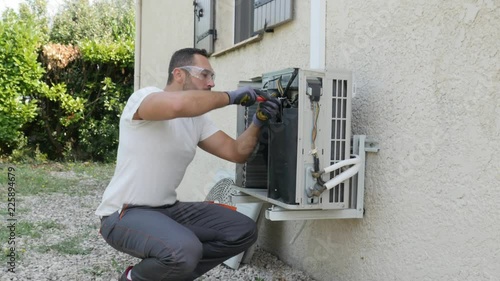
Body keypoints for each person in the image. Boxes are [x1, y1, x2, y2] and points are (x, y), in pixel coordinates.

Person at [95, 47, 280, 281]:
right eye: (205, 75)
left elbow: (236, 152)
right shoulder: (143, 99)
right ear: (179, 74)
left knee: (241, 231)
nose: (211, 83)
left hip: (168, 210)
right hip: (123, 214)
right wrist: (231, 97)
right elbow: (176, 106)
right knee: (183, 250)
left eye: (213, 76)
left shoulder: (197, 120)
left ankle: (169, 273)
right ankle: (134, 278)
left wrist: (258, 121)